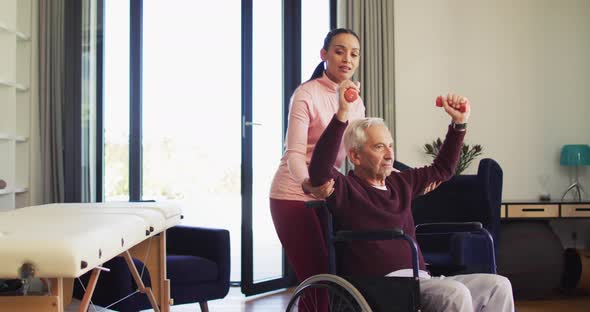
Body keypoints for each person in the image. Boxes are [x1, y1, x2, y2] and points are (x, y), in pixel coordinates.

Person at [308, 90, 515, 312]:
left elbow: (442, 169)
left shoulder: (400, 182)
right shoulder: (345, 189)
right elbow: (319, 170)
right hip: (382, 286)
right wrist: (342, 114)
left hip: (420, 280)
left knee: (499, 285)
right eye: (379, 147)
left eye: (390, 145)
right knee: (455, 293)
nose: (390, 154)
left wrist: (459, 123)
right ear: (355, 156)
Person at [269, 28, 365, 285]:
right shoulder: (306, 94)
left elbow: (360, 151)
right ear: (324, 54)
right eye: (339, 51)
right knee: (318, 277)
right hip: (293, 193)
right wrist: (307, 183)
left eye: (354, 54)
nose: (347, 59)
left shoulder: (355, 100)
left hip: (327, 192)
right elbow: (295, 153)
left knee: (337, 275)